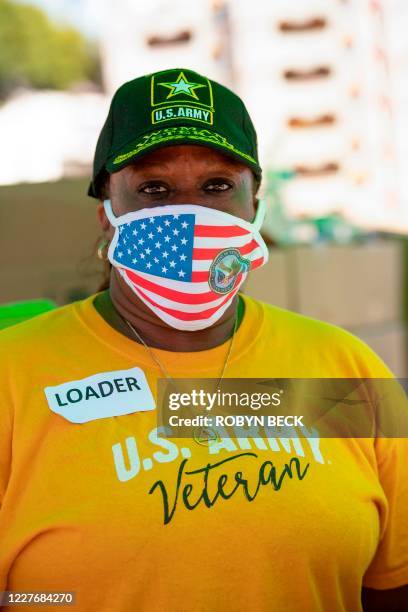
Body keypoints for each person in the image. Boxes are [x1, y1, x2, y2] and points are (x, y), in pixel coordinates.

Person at [0, 67, 407, 612]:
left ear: (254, 205)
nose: (189, 214)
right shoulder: (13, 375)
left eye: (217, 185)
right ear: (107, 214)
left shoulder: (346, 369)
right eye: (154, 188)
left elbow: (392, 586)